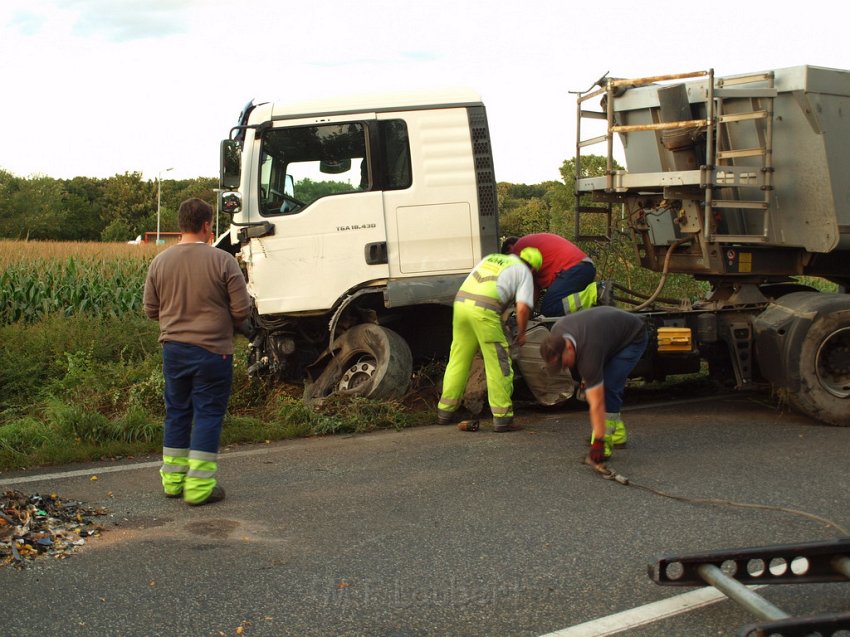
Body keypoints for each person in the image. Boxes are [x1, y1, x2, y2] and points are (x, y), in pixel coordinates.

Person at [143, 198, 252, 506]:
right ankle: (199, 489)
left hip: (174, 351)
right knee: (207, 414)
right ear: (207, 226)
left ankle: (173, 482)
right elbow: (241, 310)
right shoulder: (223, 261)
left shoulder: (160, 262)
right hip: (213, 352)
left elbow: (151, 310)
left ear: (180, 225)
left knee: (176, 412)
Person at [437, 247, 542, 432]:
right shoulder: (524, 272)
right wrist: (522, 332)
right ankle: (502, 418)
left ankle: (444, 411)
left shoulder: (492, 258)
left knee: (459, 359)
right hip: (484, 311)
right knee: (498, 363)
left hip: (461, 305)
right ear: (533, 268)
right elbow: (523, 308)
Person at [539, 306, 647, 465]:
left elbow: (597, 402)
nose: (563, 367)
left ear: (569, 347)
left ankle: (606, 440)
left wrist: (598, 440)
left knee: (608, 386)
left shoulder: (589, 351)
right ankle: (618, 435)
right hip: (606, 335)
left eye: (562, 362)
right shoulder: (556, 333)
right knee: (592, 380)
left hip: (632, 337)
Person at [501, 233, 596, 316]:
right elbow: (531, 295)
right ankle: (595, 307)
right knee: (564, 308)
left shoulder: (519, 247)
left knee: (549, 308)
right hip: (582, 268)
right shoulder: (535, 265)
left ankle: (596, 293)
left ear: (509, 249)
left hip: (574, 269)